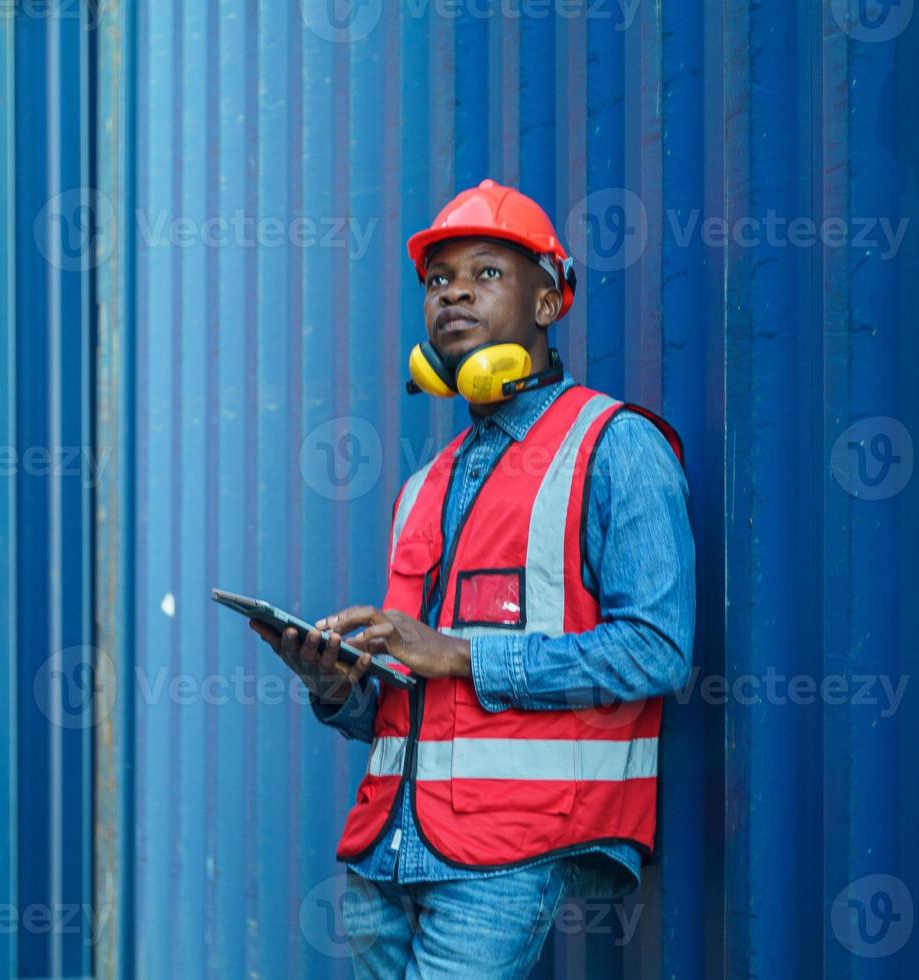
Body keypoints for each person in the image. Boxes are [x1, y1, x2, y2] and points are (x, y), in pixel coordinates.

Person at [250, 179, 694, 978]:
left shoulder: (615, 446)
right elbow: (411, 701)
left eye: (485, 272)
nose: (452, 289)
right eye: (435, 279)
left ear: (548, 302)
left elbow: (656, 651)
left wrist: (459, 654)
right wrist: (335, 687)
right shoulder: (424, 486)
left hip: (508, 853)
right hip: (383, 854)